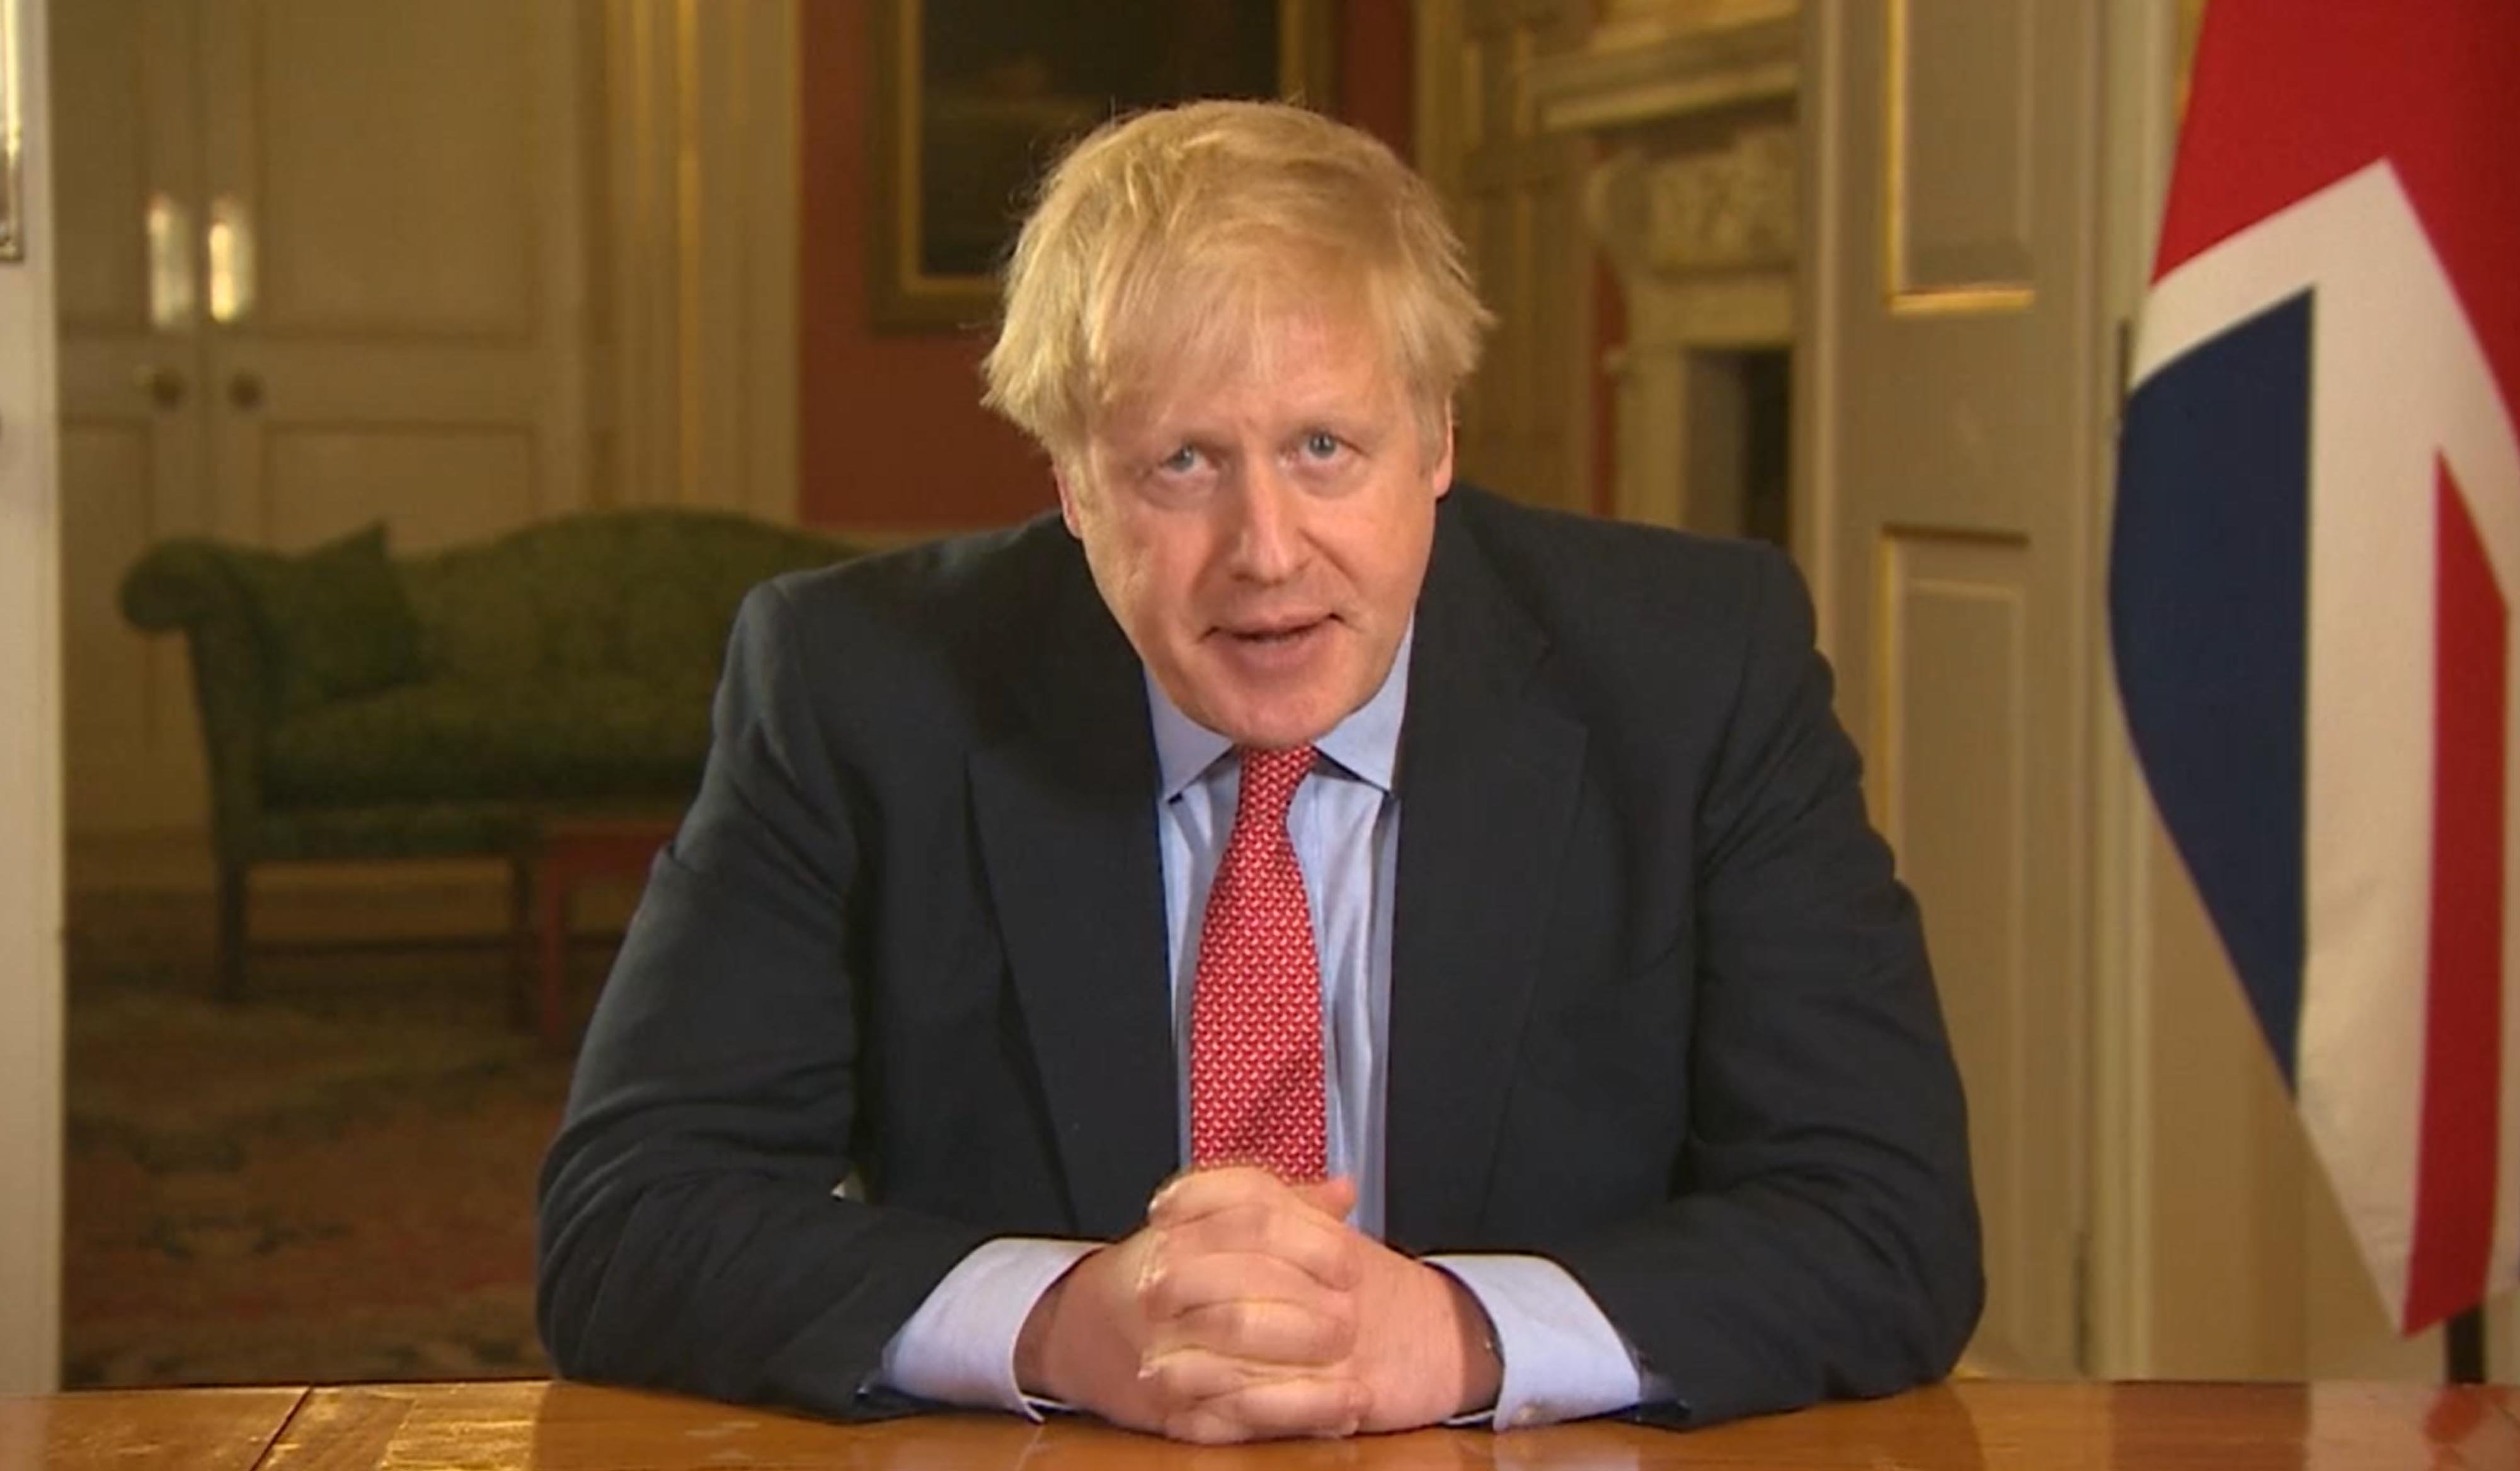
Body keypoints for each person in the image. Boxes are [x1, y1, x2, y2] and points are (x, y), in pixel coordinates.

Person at [536, 99, 1980, 1443]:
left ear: (1435, 440)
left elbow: (1884, 1223)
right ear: (1069, 481)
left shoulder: (1692, 672)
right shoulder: (856, 687)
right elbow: (627, 1219)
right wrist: (1061, 1319)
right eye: (1180, 462)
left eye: (1322, 445)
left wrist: (1456, 1335)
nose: (1268, 552)